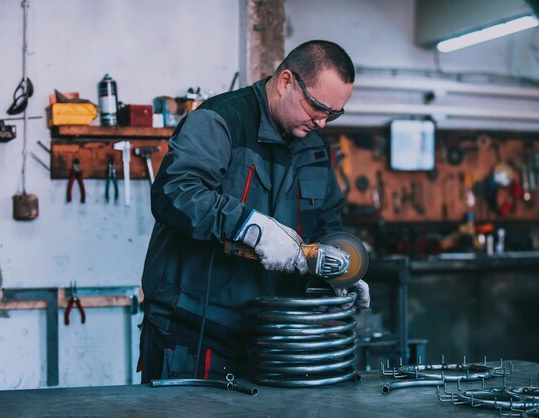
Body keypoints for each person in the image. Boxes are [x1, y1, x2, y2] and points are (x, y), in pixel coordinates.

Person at [139, 40, 370, 383]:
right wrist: (250, 227)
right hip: (195, 335)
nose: (323, 123)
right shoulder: (220, 121)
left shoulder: (314, 148)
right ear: (286, 82)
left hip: (275, 341)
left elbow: (327, 220)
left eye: (333, 114)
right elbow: (175, 192)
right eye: (318, 107)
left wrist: (338, 267)